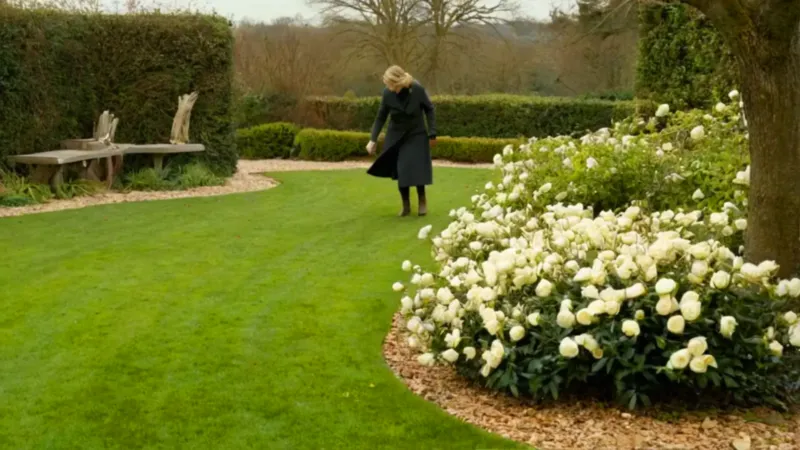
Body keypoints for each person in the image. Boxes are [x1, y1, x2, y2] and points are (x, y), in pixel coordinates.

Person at [366, 65, 436, 217]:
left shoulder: (416, 89)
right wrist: (373, 139)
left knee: (417, 168)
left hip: (416, 133)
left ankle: (422, 201)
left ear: (396, 82)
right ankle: (406, 205)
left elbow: (429, 109)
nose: (387, 87)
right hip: (396, 135)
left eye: (389, 83)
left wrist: (432, 133)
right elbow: (381, 117)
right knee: (402, 169)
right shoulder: (387, 94)